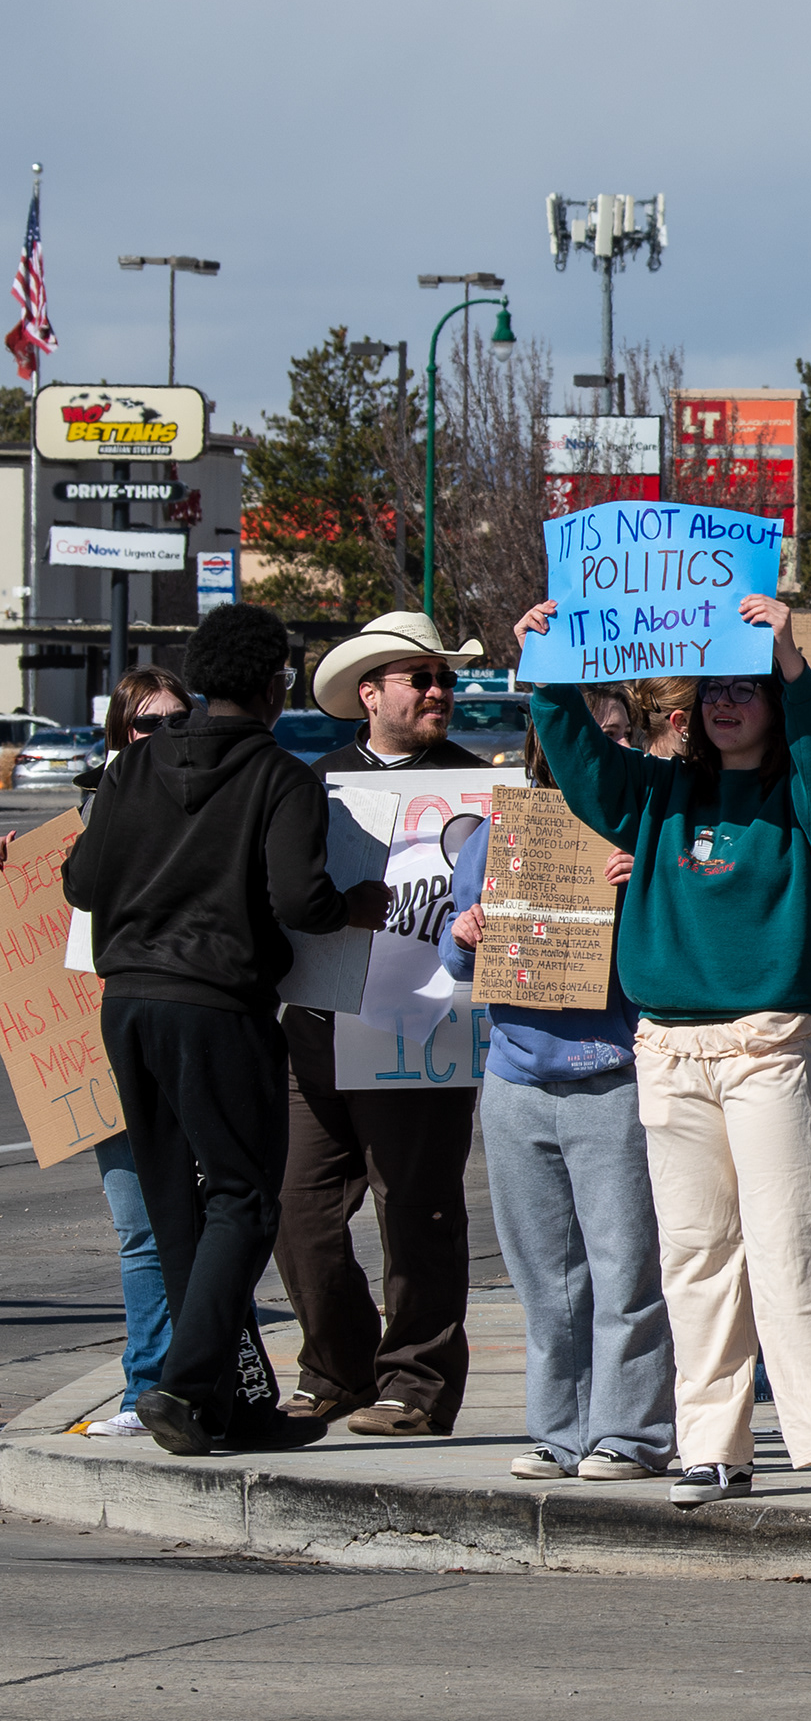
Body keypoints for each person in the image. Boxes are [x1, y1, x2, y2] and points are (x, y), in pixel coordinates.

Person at [517, 590, 811, 1508]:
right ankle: (713, 1446)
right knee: (694, 1249)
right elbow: (578, 759)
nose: (728, 704)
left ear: (769, 700)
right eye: (713, 692)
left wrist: (791, 660)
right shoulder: (654, 794)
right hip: (668, 1045)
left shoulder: (805, 802)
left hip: (766, 1041)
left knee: (792, 1239)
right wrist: (549, 667)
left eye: (745, 690)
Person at [64, 604, 351, 1456]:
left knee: (174, 1204)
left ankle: (230, 1404)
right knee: (243, 1199)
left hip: (128, 1005)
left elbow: (81, 884)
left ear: (194, 684)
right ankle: (186, 1387)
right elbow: (301, 902)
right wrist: (352, 908)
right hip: (217, 1006)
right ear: (275, 688)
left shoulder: (128, 770)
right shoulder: (282, 778)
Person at [443, 686, 674, 1482]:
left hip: (614, 1079)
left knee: (625, 1269)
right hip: (514, 1080)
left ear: (632, 743)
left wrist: (643, 888)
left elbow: (679, 953)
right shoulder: (504, 833)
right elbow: (458, 957)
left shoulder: (648, 823)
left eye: (611, 735)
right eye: (576, 736)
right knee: (546, 1277)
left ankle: (632, 1434)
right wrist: (466, 933)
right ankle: (559, 1432)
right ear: (542, 748)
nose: (594, 749)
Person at [273, 610, 494, 1437]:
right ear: (370, 694)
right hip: (320, 1024)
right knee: (299, 1210)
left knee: (419, 1211)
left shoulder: (482, 790)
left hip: (427, 1032)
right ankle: (335, 1366)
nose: (440, 691)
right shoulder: (312, 784)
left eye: (446, 679)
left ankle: (418, 1385)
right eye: (421, 678)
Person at [77, 666, 190, 1438]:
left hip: (200, 1038)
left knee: (221, 1220)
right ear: (121, 737)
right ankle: (143, 1388)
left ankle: (211, 1372)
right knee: (142, 1229)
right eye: (148, 725)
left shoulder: (214, 804)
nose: (163, 737)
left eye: (179, 721)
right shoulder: (86, 824)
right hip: (111, 1046)